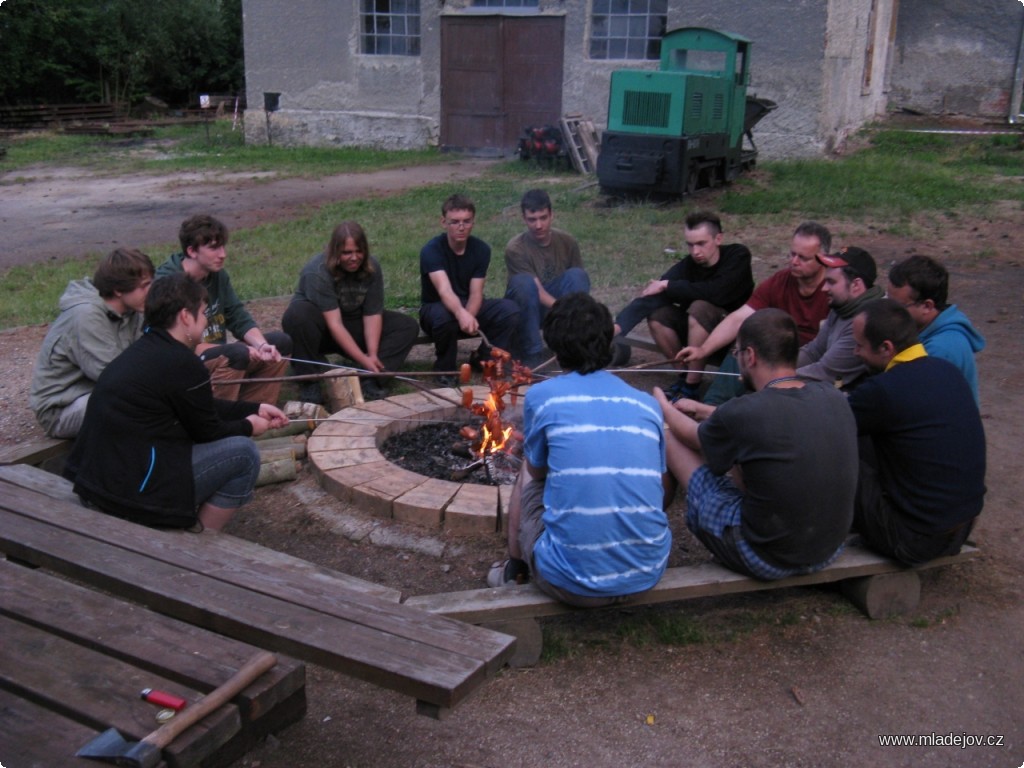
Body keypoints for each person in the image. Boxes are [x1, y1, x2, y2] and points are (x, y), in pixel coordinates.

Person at [64, 273, 288, 532]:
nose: (205, 322)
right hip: (130, 494)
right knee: (244, 454)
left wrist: (254, 408)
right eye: (203, 313)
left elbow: (200, 408)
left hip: (97, 482)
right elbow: (207, 431)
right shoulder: (183, 364)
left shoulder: (145, 350)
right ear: (185, 316)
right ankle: (194, 546)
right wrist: (249, 427)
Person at [488, 292, 671, 606]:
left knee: (527, 471)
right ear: (607, 344)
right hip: (647, 573)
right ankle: (627, 541)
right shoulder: (647, 404)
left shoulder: (543, 396)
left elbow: (538, 472)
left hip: (571, 582)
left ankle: (514, 566)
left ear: (556, 349)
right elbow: (663, 486)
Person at [655, 308, 857, 580]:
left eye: (736, 353)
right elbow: (774, 416)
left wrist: (664, 406)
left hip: (767, 556)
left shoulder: (746, 410)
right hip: (827, 549)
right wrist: (703, 409)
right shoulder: (832, 396)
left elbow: (692, 436)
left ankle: (642, 532)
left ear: (750, 355)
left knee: (669, 434)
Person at [848, 299, 985, 566]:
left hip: (915, 540)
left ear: (886, 348)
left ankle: (807, 539)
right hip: (962, 526)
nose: (855, 352)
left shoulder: (884, 390)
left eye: (859, 346)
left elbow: (825, 428)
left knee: (830, 451)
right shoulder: (946, 370)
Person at [676, 221, 832, 406]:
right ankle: (713, 407)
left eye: (803, 258)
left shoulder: (833, 288)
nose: (794, 262)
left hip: (814, 361)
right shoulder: (781, 280)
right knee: (745, 342)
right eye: (792, 254)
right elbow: (740, 317)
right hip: (777, 353)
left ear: (824, 259)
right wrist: (703, 349)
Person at [613, 211, 754, 400]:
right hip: (696, 337)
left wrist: (670, 285)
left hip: (733, 340)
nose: (695, 251)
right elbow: (655, 293)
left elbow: (718, 292)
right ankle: (683, 376)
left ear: (718, 238)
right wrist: (618, 326)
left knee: (699, 307)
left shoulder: (737, 256)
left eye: (701, 244)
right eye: (690, 244)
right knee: (657, 315)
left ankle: (691, 385)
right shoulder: (689, 265)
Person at [156, 214, 293, 403]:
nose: (223, 254)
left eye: (222, 246)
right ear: (192, 251)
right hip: (183, 361)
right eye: (214, 248)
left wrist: (261, 346)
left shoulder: (217, 275)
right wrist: (233, 350)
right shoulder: (168, 282)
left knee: (280, 343)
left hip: (219, 355)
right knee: (235, 354)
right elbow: (172, 345)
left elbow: (237, 315)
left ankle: (256, 414)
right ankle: (219, 423)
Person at [281, 221, 419, 403]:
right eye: (347, 252)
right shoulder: (316, 272)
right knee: (297, 314)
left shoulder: (372, 267)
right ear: (335, 252)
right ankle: (309, 380)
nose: (354, 258)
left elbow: (372, 314)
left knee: (407, 326)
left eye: (358, 251)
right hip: (320, 330)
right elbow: (334, 324)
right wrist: (362, 358)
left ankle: (371, 378)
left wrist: (372, 354)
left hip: (353, 323)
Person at [30, 248, 155, 439]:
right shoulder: (86, 316)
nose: (150, 291)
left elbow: (145, 358)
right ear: (118, 290)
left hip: (98, 393)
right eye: (144, 286)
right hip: (62, 408)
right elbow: (114, 376)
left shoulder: (133, 310)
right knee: (136, 404)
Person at [419, 194, 519, 382]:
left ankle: (484, 358)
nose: (461, 227)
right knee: (443, 317)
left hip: (467, 306)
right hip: (436, 308)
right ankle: (445, 369)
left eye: (466, 221)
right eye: (455, 222)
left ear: (473, 222)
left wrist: (469, 315)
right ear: (443, 222)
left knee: (509, 310)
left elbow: (476, 292)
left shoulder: (481, 250)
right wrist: (461, 315)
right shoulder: (431, 250)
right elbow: (444, 290)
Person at [504, 188, 590, 368]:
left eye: (543, 218)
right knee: (524, 284)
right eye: (532, 219)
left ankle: (572, 344)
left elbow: (579, 285)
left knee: (577, 275)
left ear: (551, 215)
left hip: (556, 308)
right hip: (527, 306)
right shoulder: (515, 248)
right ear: (524, 219)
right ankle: (533, 353)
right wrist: (565, 310)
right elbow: (536, 291)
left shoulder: (567, 242)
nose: (538, 225)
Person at [886, 255, 985, 405]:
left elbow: (913, 402)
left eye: (897, 307)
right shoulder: (925, 330)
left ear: (927, 306)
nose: (888, 311)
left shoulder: (941, 350)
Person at [795, 246, 884, 390]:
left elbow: (826, 372)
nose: (823, 288)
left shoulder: (869, 321)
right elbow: (813, 351)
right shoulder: (842, 307)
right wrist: (777, 367)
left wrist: (774, 379)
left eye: (831, 282)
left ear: (855, 285)